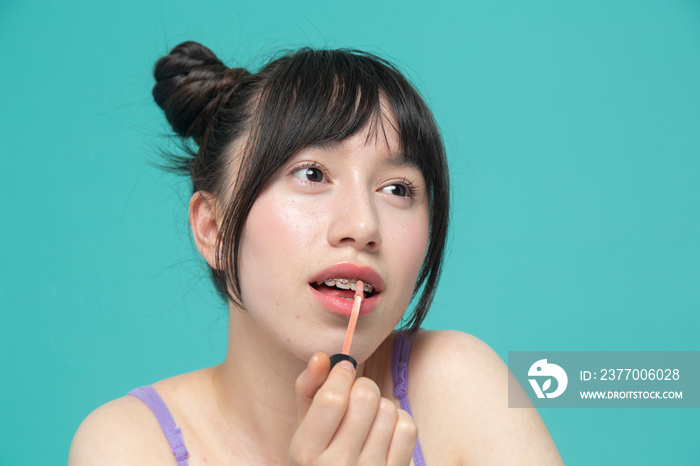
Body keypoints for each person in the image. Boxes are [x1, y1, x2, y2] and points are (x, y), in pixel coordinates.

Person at [69, 41, 563, 465]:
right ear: (214, 228)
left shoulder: (460, 385)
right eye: (312, 174)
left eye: (397, 188)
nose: (365, 227)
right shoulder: (128, 444)